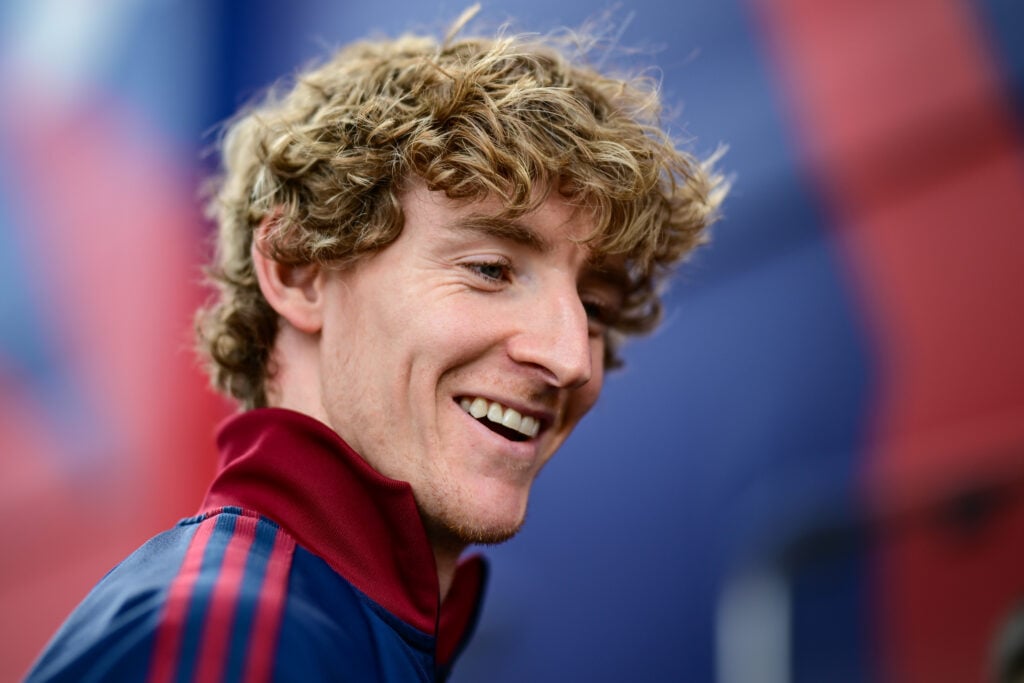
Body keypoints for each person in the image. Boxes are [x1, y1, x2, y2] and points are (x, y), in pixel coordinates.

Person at [25, 7, 725, 682]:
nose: (571, 357)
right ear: (299, 270)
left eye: (595, 307)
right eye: (489, 269)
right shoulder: (239, 640)